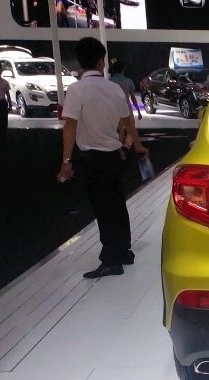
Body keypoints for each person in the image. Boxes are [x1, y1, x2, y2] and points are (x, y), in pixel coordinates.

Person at [57, 37, 149, 279]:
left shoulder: (76, 90)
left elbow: (70, 126)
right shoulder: (114, 89)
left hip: (93, 160)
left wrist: (66, 162)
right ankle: (124, 251)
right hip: (114, 157)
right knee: (117, 205)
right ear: (101, 62)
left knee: (103, 208)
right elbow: (127, 121)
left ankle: (110, 260)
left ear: (81, 61)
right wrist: (136, 144)